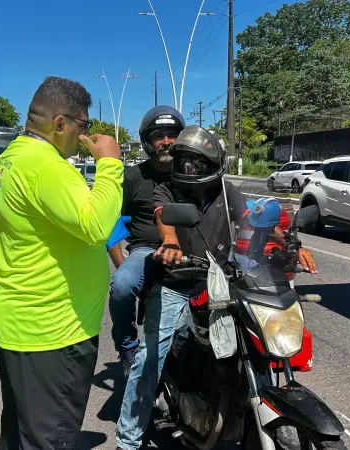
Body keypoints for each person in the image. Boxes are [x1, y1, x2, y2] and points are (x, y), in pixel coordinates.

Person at [0, 76, 123, 450]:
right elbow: (96, 225)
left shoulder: (9, 159)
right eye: (83, 125)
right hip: (53, 333)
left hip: (21, 326)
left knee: (20, 434)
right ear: (60, 123)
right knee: (50, 440)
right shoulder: (46, 166)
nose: (85, 135)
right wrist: (110, 164)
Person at [115, 126, 248, 450]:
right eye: (185, 161)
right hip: (176, 283)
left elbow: (249, 220)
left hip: (220, 282)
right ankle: (128, 441)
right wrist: (171, 241)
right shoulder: (167, 188)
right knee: (150, 356)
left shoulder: (226, 191)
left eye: (197, 162)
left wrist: (280, 242)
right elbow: (164, 217)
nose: (191, 168)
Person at [106, 105, 185, 376]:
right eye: (159, 136)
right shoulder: (132, 177)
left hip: (191, 248)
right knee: (122, 286)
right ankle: (127, 347)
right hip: (146, 251)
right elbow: (112, 222)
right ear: (148, 142)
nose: (166, 141)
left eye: (172, 135)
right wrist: (122, 264)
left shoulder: (191, 173)